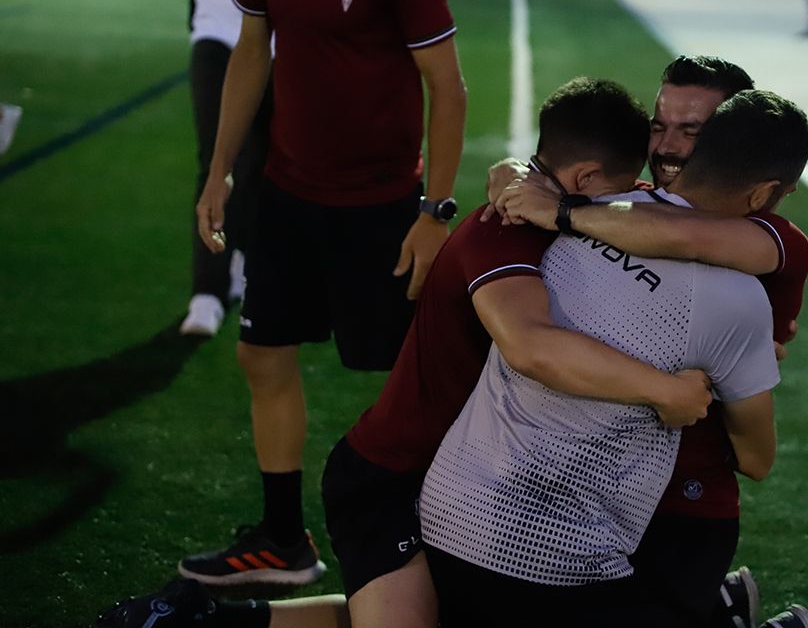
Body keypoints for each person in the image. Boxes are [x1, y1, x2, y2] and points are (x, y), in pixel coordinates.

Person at [93, 79, 713, 628]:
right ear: (581, 182)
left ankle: (198, 619)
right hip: (391, 479)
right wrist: (666, 391)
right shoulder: (507, 229)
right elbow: (530, 348)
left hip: (463, 481)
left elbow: (635, 211)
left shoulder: (566, 204)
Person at [185, 0, 467, 585]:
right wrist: (218, 173)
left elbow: (448, 89)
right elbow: (252, 52)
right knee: (261, 354)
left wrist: (434, 214)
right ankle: (284, 540)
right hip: (285, 192)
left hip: (378, 207)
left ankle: (449, 539)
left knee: (408, 376)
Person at [421, 90, 808, 627]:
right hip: (559, 559)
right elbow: (756, 458)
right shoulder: (741, 302)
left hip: (447, 514)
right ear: (765, 193)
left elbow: (529, 178)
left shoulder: (571, 209)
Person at [164, 0, 289, 337]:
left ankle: (239, 262)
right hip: (219, 36)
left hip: (287, 46)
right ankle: (206, 292)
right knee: (217, 161)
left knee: (267, 167)